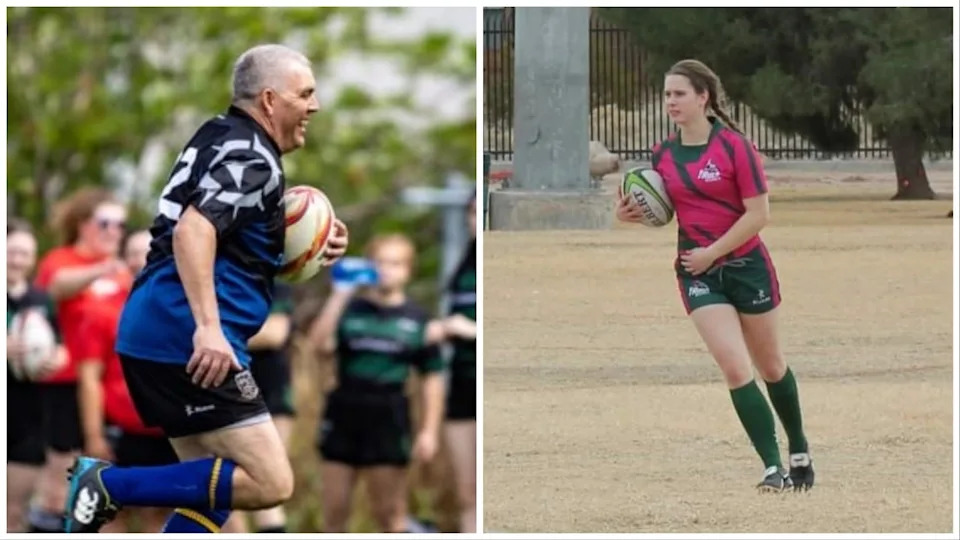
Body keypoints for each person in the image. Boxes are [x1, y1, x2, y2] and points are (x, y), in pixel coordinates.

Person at [61, 43, 349, 534]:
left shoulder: (218, 135)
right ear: (270, 99)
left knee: (211, 492)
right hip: (185, 332)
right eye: (306, 94)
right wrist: (209, 328)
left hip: (154, 323)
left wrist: (305, 245)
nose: (314, 106)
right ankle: (109, 486)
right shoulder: (254, 160)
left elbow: (224, 244)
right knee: (271, 483)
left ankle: (111, 487)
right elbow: (194, 231)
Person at [615, 59, 814, 493]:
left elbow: (759, 214)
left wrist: (714, 252)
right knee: (734, 366)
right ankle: (771, 468)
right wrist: (629, 214)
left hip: (745, 267)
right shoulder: (662, 155)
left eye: (679, 94)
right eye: (667, 94)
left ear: (703, 97)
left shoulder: (734, 148)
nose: (671, 101)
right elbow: (665, 211)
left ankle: (799, 445)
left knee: (771, 366)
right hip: (696, 273)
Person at [309, 234, 445, 533]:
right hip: (344, 409)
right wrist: (339, 295)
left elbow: (431, 377)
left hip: (389, 414)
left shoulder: (418, 318)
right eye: (380, 262)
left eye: (395, 263)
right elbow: (319, 346)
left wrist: (429, 431)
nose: (386, 270)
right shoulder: (350, 309)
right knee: (335, 509)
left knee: (389, 512)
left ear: (408, 270)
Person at [29, 188, 131, 533]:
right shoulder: (62, 259)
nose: (114, 230)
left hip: (112, 390)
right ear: (83, 224)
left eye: (120, 224)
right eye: (105, 222)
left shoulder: (124, 274)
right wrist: (103, 268)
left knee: (104, 487)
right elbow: (55, 287)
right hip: (66, 384)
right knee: (64, 481)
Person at [75, 229, 176, 533]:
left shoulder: (182, 305)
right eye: (132, 252)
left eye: (147, 251)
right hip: (121, 431)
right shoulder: (101, 309)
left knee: (160, 517)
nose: (140, 259)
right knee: (108, 515)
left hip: (171, 433)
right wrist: (94, 436)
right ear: (123, 258)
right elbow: (89, 377)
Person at [7, 219, 68, 532]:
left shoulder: (40, 300)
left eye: (25, 253)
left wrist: (55, 357)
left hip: (27, 417)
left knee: (13, 512)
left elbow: (60, 347)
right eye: (11, 251)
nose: (17, 260)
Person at [245, 280, 297, 533]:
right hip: (223, 392)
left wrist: (213, 336)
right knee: (219, 485)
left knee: (268, 483)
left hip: (270, 394)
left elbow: (274, 334)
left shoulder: (273, 280)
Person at [441, 196, 478, 532]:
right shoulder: (463, 265)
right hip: (460, 383)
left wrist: (472, 330)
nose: (474, 219)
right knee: (467, 493)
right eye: (469, 212)